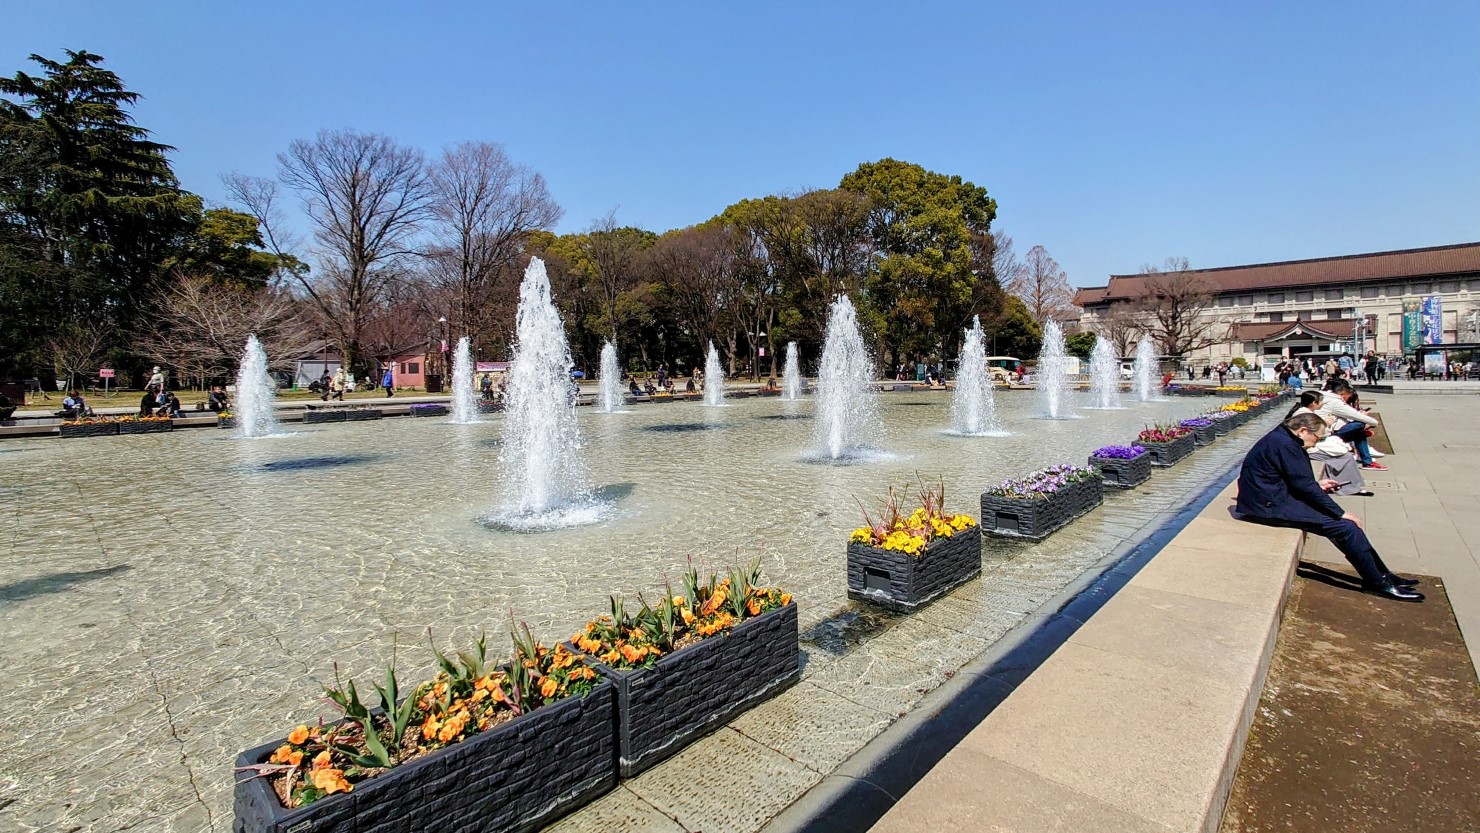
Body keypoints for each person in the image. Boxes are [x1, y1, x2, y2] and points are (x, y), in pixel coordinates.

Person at [1235, 412, 1421, 602]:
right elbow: (1304, 486)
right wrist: (1340, 512)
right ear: (1303, 431)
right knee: (1346, 527)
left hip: (1268, 499)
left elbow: (1295, 479)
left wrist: (1319, 486)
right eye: (1317, 438)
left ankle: (1383, 575)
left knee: (1347, 527)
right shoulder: (1286, 444)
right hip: (1268, 506)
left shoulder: (1282, 438)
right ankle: (1377, 582)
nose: (1316, 443)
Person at [1287, 391, 1370, 497]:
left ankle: (1350, 486)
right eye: (1321, 401)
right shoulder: (1304, 414)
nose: (1323, 403)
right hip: (1309, 447)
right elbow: (1316, 433)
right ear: (1314, 403)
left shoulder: (1305, 411)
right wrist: (1326, 424)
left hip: (1312, 444)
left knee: (1345, 454)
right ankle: (1347, 487)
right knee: (1345, 456)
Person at [1318, 379, 1385, 470]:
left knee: (1358, 433)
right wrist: (1374, 423)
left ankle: (1367, 462)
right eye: (1347, 397)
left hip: (1326, 429)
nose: (1347, 400)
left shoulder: (1325, 396)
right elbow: (1356, 416)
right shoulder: (1335, 402)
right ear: (1342, 393)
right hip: (1326, 433)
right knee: (1359, 424)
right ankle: (1367, 461)